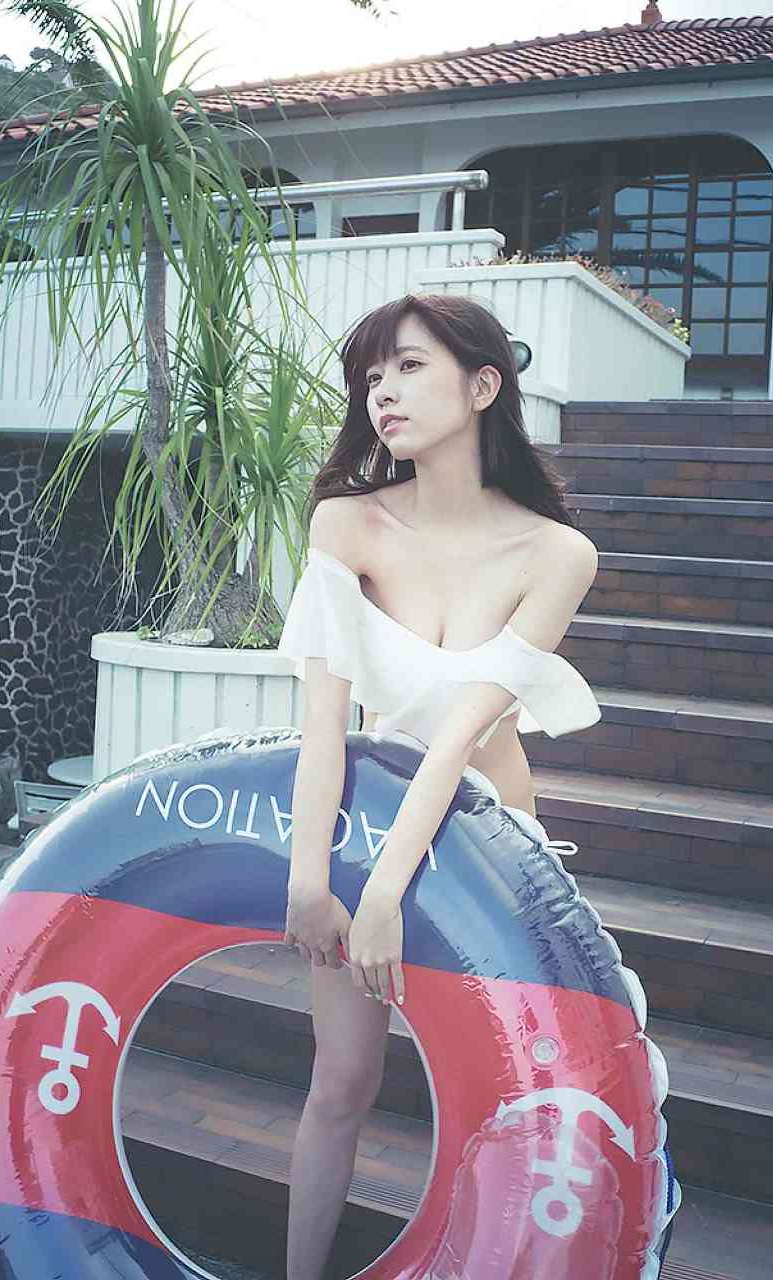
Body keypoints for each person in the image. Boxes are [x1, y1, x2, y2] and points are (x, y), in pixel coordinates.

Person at [277, 291, 601, 1280]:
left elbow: (460, 737)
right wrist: (309, 876)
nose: (383, 391)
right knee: (341, 1080)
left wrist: (388, 892)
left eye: (409, 367)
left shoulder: (556, 553)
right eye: (371, 376)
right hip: (366, 820)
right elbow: (323, 723)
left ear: (482, 384)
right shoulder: (347, 523)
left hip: (487, 849)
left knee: (494, 1095)